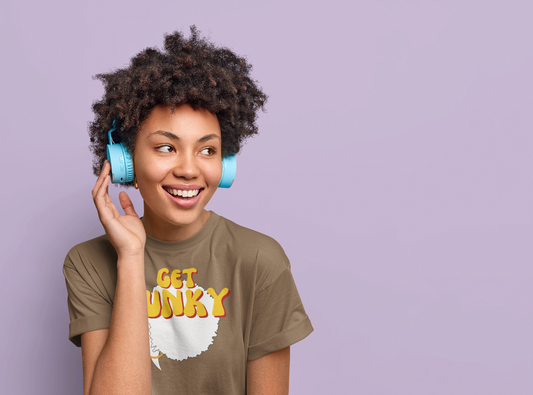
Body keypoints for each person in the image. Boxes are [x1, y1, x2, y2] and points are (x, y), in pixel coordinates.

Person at [63, 26, 313, 395]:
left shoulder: (260, 260)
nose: (189, 169)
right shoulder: (88, 263)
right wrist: (131, 257)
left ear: (224, 164)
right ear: (125, 162)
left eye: (207, 150)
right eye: (166, 147)